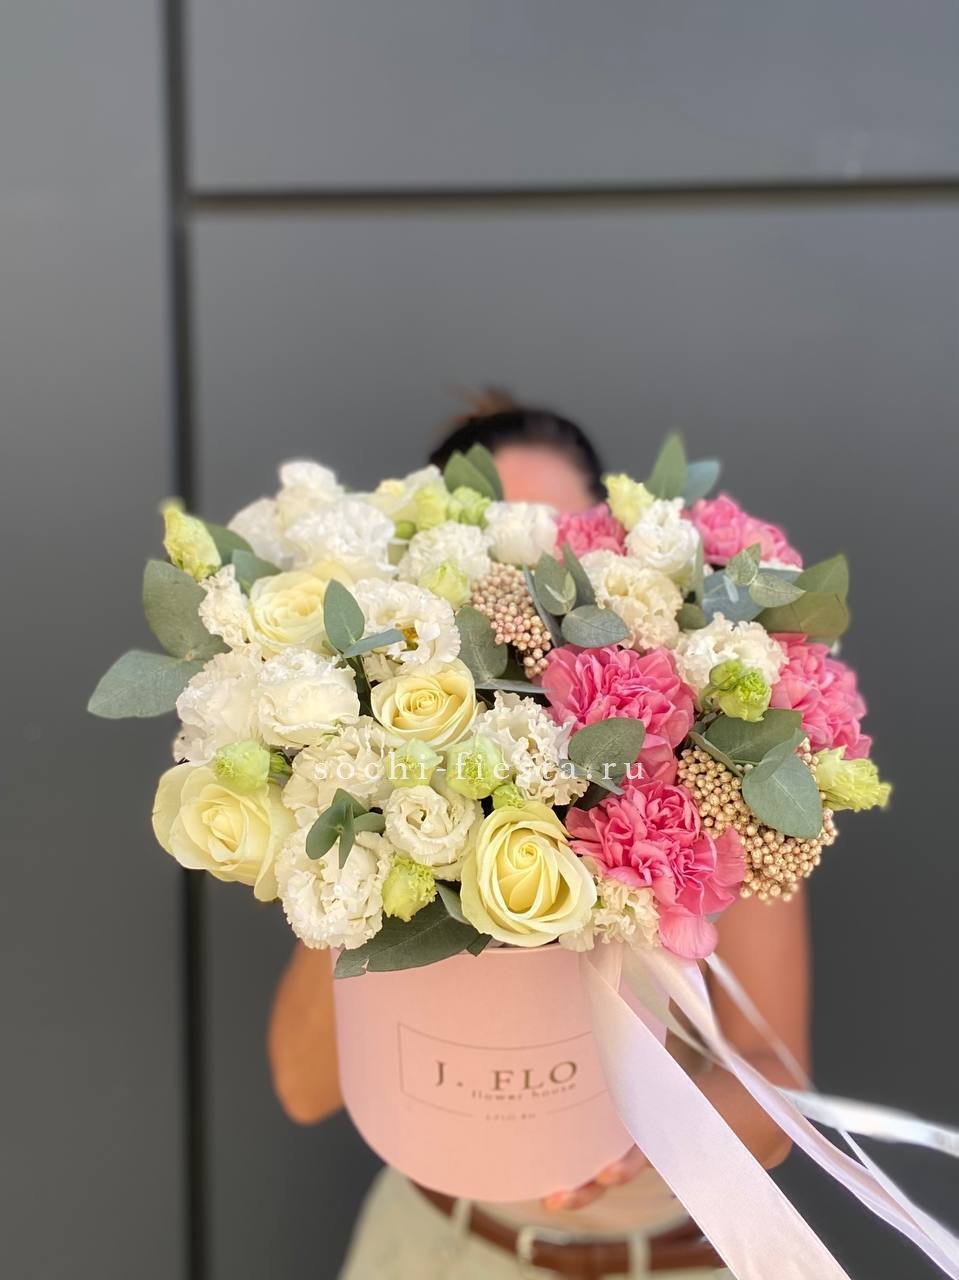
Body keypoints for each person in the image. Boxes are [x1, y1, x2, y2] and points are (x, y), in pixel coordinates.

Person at [269, 398, 809, 1278]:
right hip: (440, 1251)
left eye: (553, 548)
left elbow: (777, 1081)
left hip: (670, 1260)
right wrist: (359, 844)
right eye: (490, 550)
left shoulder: (712, 781)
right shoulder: (380, 786)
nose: (521, 587)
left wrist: (661, 1139)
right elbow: (304, 1088)